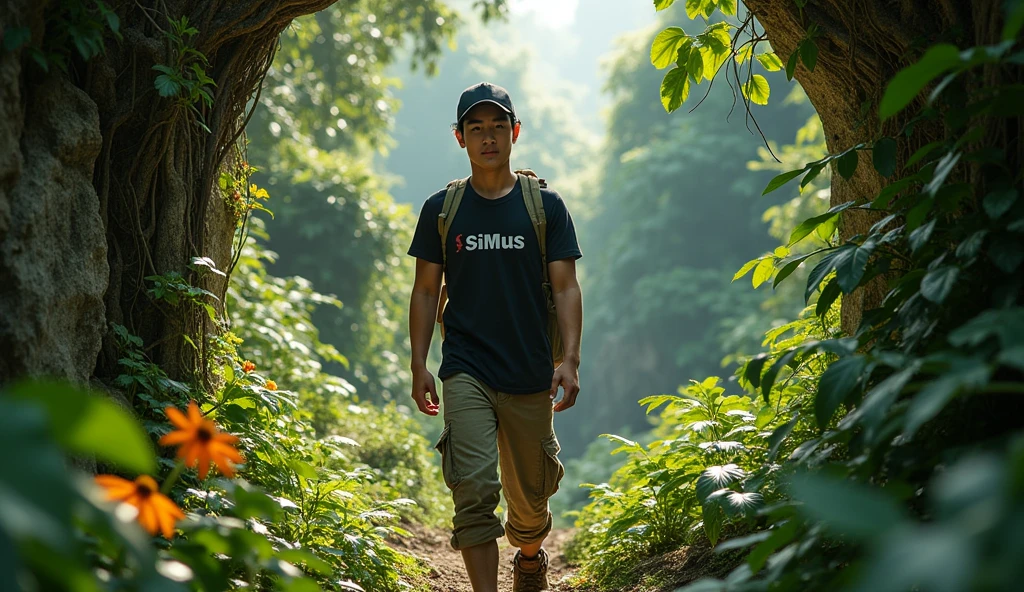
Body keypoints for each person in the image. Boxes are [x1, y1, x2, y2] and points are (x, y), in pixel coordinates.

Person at [406, 81, 584, 592]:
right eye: (476, 128)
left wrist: (569, 360)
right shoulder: (442, 208)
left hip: (529, 369)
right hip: (466, 367)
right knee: (474, 486)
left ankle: (529, 557)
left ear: (515, 132)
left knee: (529, 504)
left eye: (498, 126)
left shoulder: (544, 206)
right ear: (459, 137)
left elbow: (567, 286)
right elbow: (425, 291)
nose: (489, 137)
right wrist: (420, 364)